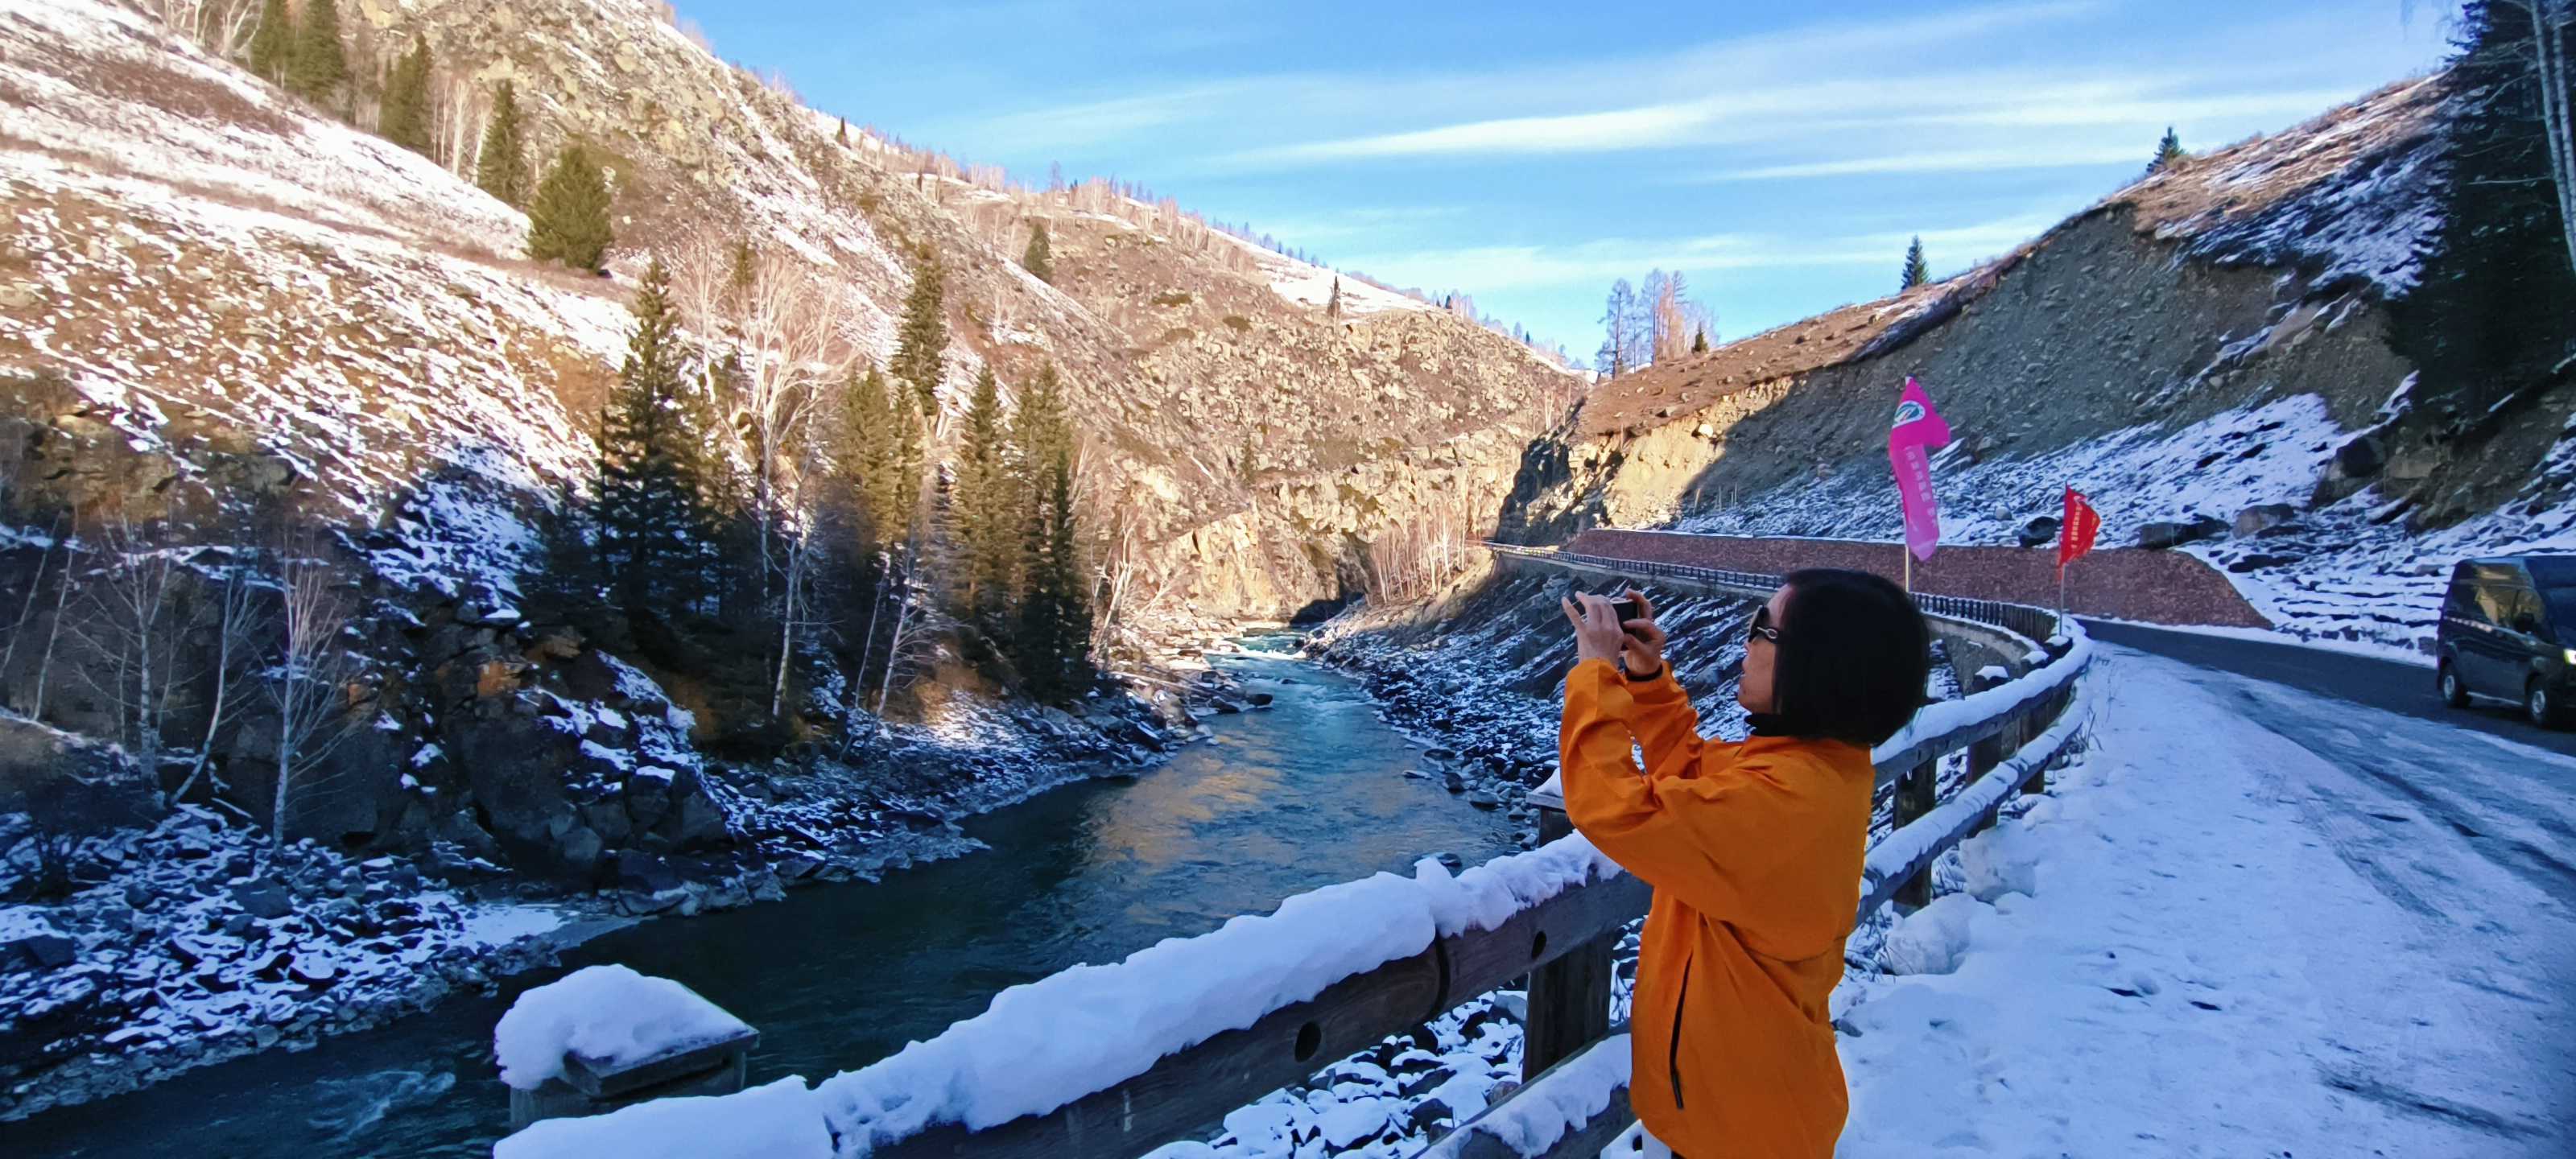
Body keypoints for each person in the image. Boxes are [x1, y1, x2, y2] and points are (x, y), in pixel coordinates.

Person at [1557, 569, 1930, 1158]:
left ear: (1818, 663)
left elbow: (1613, 809)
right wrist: (1649, 683)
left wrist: (1594, 676)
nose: (1747, 643)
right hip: (1744, 1112)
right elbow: (1694, 777)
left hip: (1741, 1132)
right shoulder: (1811, 770)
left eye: (1764, 630)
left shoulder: (1785, 802)